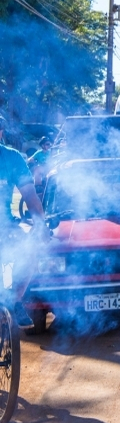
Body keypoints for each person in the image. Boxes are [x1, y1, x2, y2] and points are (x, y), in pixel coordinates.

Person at [0, 113, 48, 328]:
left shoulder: (11, 158)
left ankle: (16, 300)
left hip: (5, 227)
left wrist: (41, 226)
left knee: (32, 247)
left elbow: (30, 196)